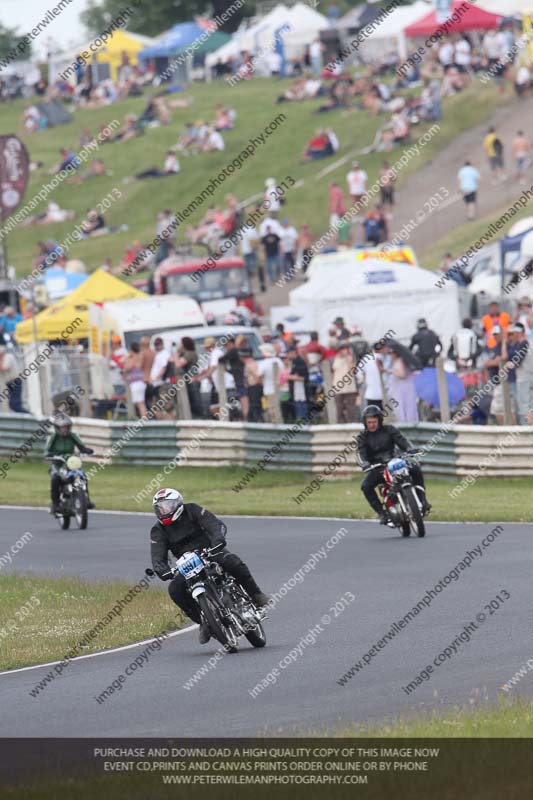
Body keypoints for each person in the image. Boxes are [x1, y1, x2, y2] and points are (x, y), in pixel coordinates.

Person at [150, 489, 269, 644]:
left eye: (167, 506)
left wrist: (218, 540)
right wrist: (162, 569)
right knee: (175, 590)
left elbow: (212, 523)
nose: (163, 511)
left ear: (178, 504)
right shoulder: (158, 530)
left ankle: (256, 595)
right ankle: (202, 622)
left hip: (210, 551)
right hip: (187, 563)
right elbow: (157, 555)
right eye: (160, 508)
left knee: (233, 562)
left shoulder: (192, 510)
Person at [356, 405, 429, 525]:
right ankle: (382, 513)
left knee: (415, 468)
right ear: (365, 422)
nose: (372, 425)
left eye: (374, 421)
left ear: (380, 420)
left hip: (394, 461)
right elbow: (361, 454)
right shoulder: (362, 438)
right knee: (365, 486)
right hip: (377, 468)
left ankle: (422, 499)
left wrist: (409, 449)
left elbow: (402, 441)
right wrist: (365, 464)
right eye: (369, 422)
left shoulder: (389, 430)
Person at [44, 412, 94, 514]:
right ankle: (55, 504)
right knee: (55, 480)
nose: (65, 429)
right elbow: (46, 451)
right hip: (57, 464)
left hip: (71, 462)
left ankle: (86, 499)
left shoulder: (73, 435)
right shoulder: (53, 437)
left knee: (83, 476)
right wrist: (50, 455)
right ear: (57, 428)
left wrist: (86, 450)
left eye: (67, 427)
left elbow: (81, 446)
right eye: (62, 427)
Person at [332, 342, 357, 423]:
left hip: (349, 387)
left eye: (346, 348)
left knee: (351, 408)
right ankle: (340, 424)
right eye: (343, 348)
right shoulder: (333, 359)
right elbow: (332, 371)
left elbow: (354, 370)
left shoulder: (350, 358)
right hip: (338, 387)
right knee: (339, 407)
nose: (345, 350)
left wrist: (348, 359)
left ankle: (351, 423)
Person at [122, 341, 147, 417]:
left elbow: (126, 367)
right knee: (139, 402)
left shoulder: (133, 358)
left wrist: (128, 357)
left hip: (136, 383)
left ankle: (143, 420)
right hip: (140, 381)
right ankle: (142, 418)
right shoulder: (141, 356)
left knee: (139, 403)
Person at [286, 345, 309, 419]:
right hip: (296, 390)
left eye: (289, 353)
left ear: (293, 353)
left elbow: (302, 377)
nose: (288, 355)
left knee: (301, 406)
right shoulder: (293, 362)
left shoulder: (299, 361)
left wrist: (288, 377)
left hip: (301, 390)